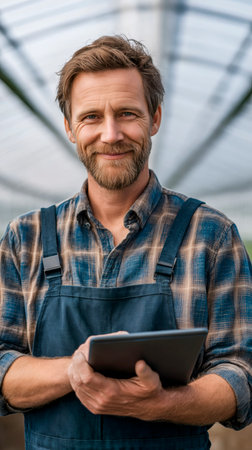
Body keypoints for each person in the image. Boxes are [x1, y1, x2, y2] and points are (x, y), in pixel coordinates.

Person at [0, 35, 251, 450]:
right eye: (92, 117)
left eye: (127, 113)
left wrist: (160, 404)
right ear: (69, 127)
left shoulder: (211, 235)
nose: (111, 134)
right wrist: (75, 370)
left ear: (154, 118)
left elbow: (241, 372)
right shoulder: (25, 239)